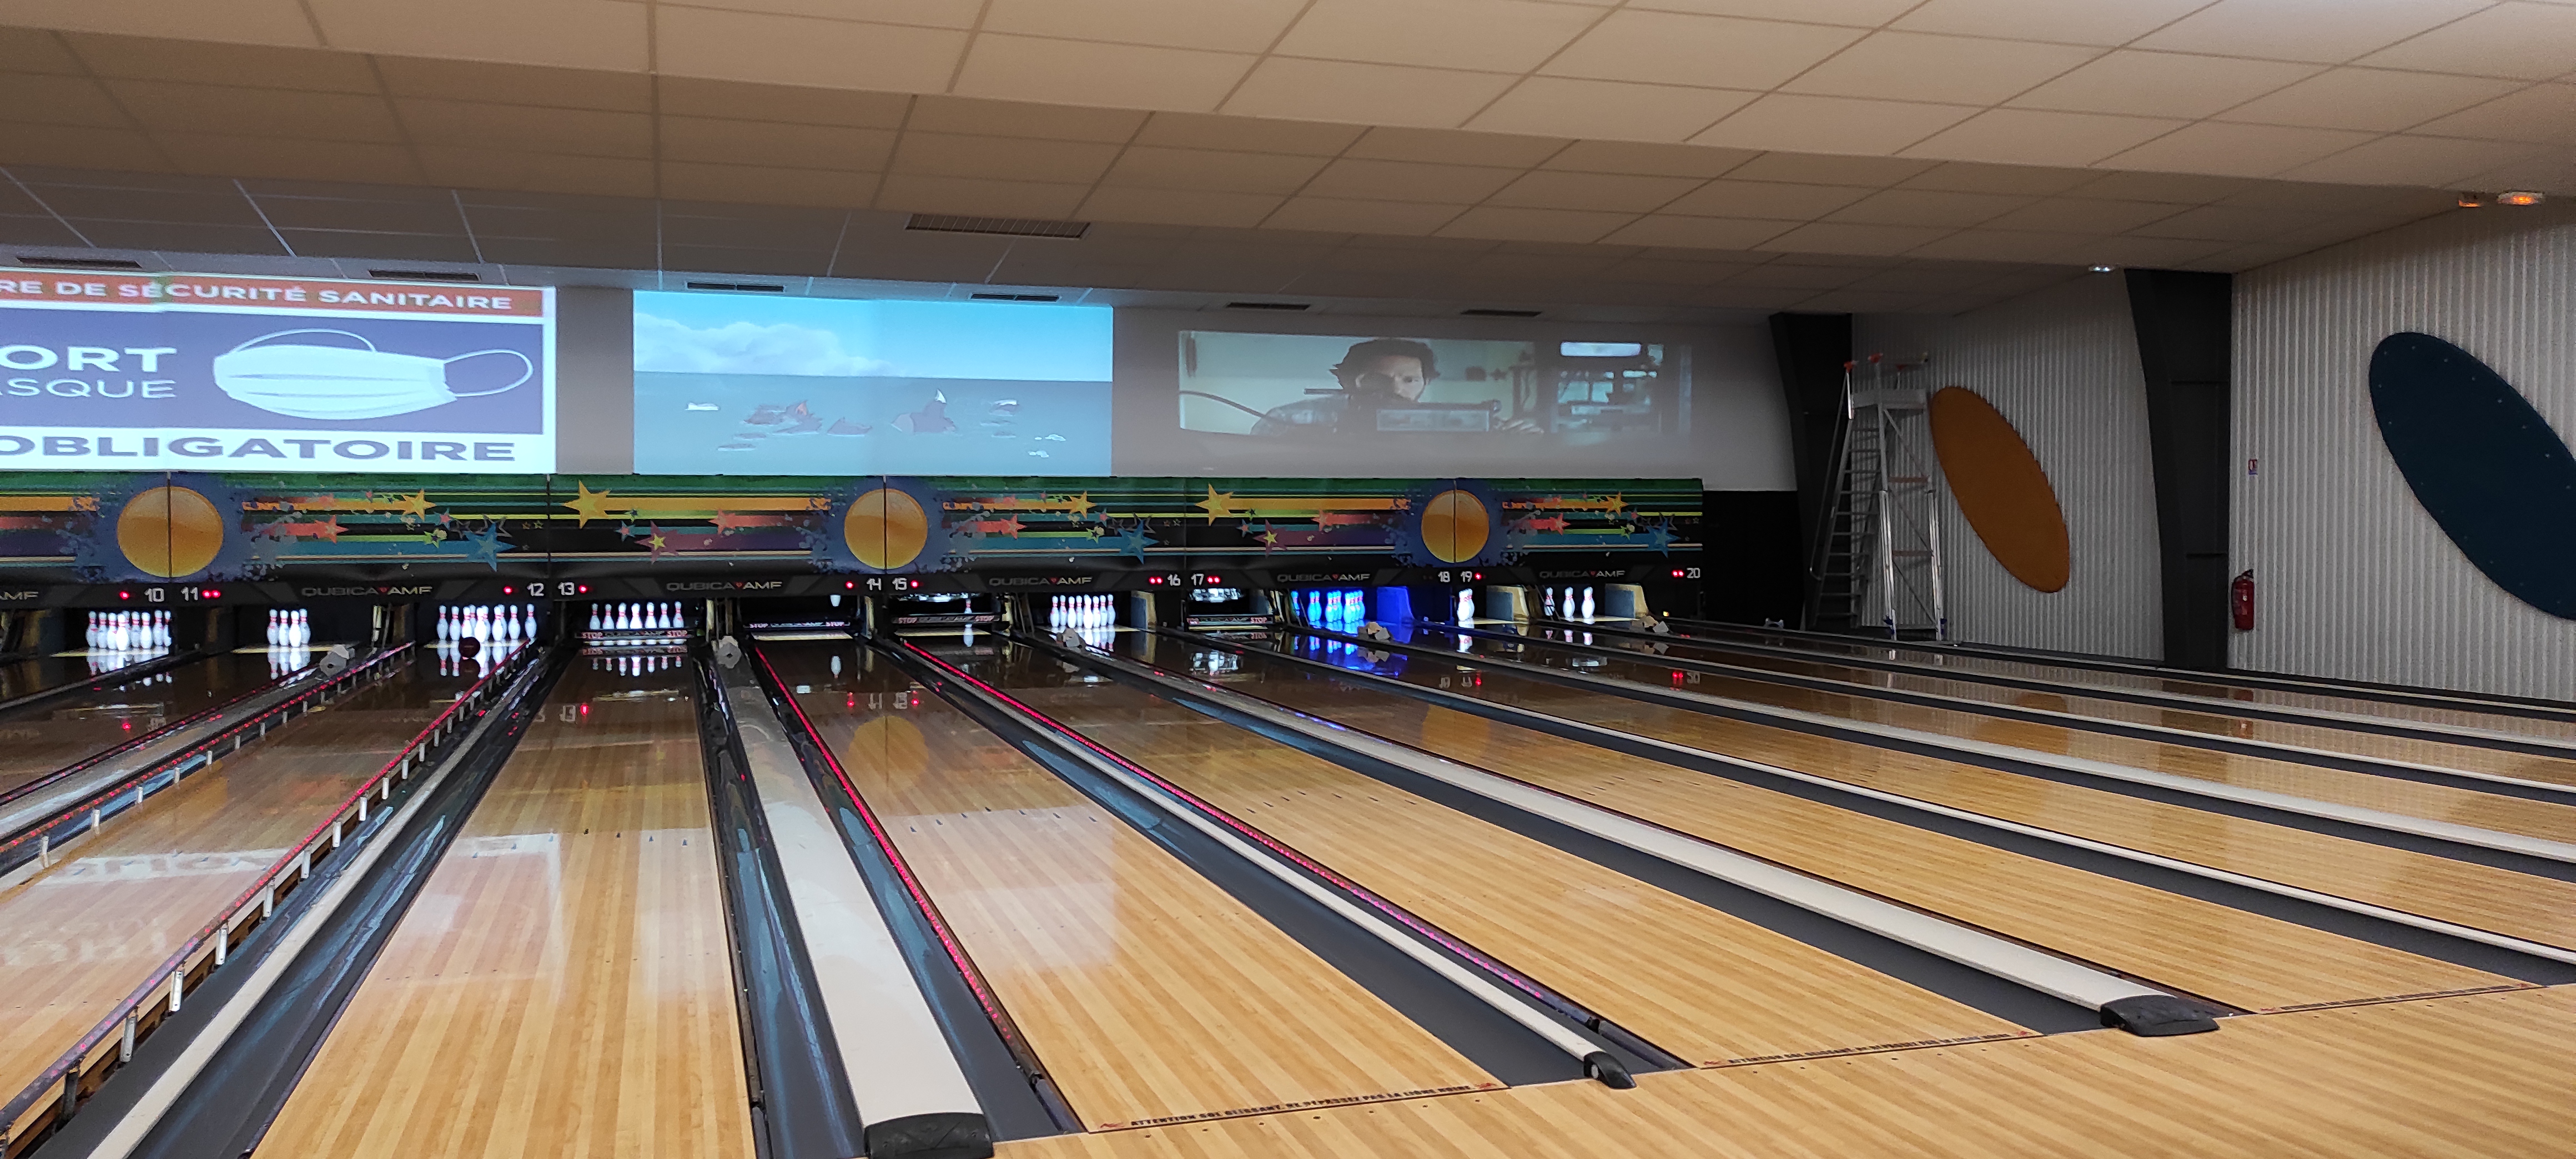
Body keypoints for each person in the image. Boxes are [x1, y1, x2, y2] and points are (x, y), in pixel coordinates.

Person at [1249, 338, 1537, 436]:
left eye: (1409, 380)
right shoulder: (1286, 419)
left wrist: (1523, 441)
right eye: (1378, 380)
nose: (1395, 390)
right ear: (1347, 381)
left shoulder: (1466, 422)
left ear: (1426, 383)